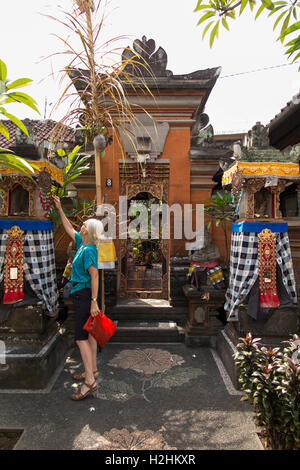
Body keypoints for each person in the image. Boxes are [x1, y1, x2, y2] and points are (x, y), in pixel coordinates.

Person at [53, 195, 103, 401]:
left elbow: (95, 275)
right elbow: (68, 229)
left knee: (80, 337)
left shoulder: (89, 250)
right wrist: (59, 209)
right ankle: (93, 370)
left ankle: (89, 381)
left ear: (88, 232)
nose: (80, 226)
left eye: (83, 225)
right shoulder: (83, 243)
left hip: (84, 295)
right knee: (90, 335)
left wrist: (93, 302)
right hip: (83, 294)